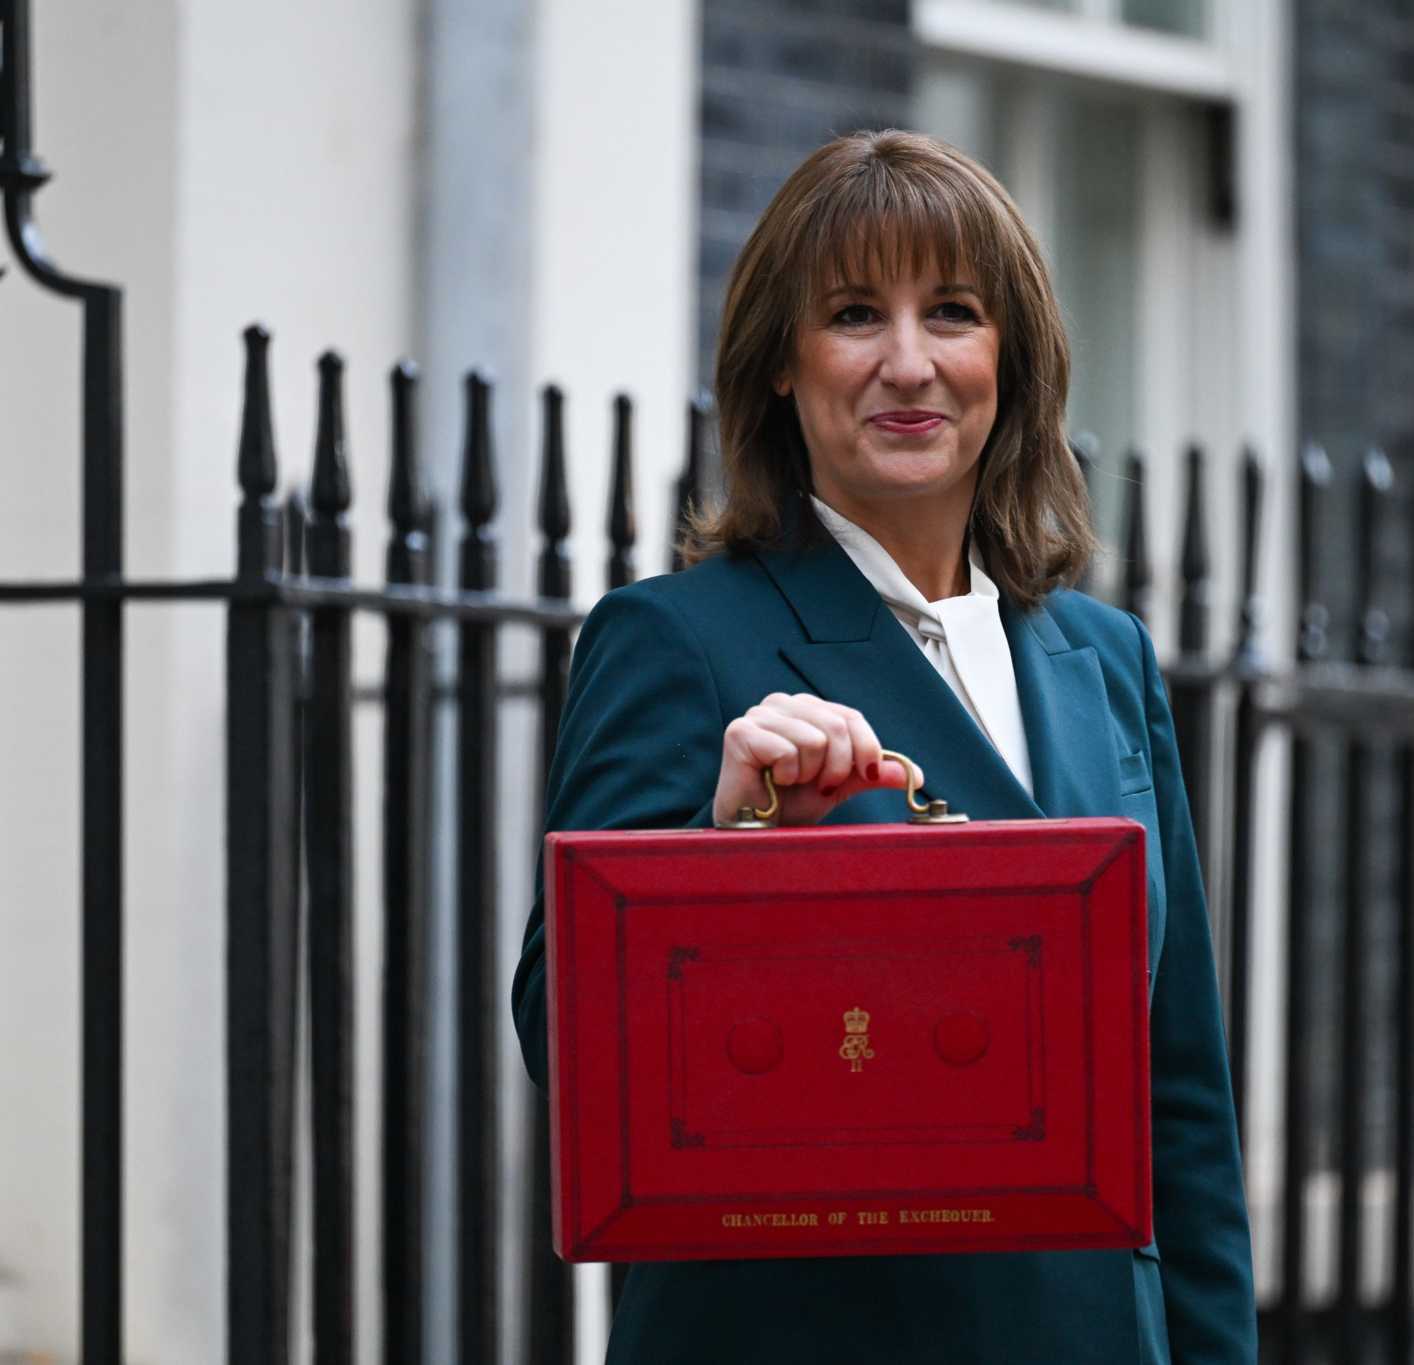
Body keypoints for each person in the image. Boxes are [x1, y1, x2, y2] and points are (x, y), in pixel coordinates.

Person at [512, 129, 1255, 1365]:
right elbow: (571, 1056)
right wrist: (723, 845)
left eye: (952, 313)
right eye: (855, 314)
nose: (907, 364)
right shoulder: (674, 642)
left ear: (1009, 365)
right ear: (776, 372)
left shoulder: (1104, 658)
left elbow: (1176, 1096)